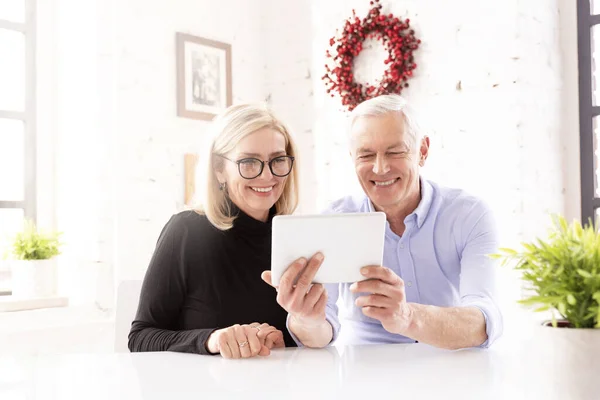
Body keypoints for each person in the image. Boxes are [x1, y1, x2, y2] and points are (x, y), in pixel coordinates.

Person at [262, 94, 503, 350]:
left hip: (450, 365)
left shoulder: (468, 214)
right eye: (366, 155)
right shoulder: (337, 219)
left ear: (422, 151)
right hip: (366, 372)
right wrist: (307, 319)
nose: (379, 168)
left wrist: (407, 317)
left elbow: (483, 323)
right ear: (352, 157)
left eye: (395, 151)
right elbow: (321, 332)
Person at [129, 103, 300, 358]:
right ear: (219, 169)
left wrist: (282, 341)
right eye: (249, 162)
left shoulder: (296, 238)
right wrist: (213, 339)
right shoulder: (186, 231)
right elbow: (141, 338)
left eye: (277, 160)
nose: (267, 176)